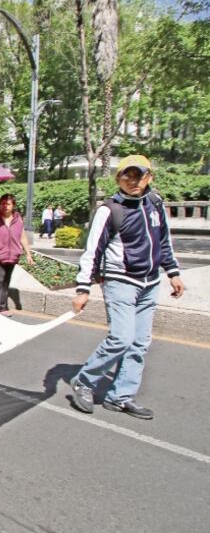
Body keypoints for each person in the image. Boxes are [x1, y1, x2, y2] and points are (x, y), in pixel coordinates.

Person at [68, 155, 184, 420]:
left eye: (139, 175)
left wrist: (173, 273)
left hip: (150, 282)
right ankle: (84, 381)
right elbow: (92, 250)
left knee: (140, 343)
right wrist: (82, 288)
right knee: (121, 338)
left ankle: (120, 396)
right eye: (127, 176)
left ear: (149, 177)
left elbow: (164, 241)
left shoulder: (155, 204)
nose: (134, 181)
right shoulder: (110, 210)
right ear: (118, 178)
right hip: (120, 281)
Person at [0, 193, 34, 316]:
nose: (4, 206)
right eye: (2, 203)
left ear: (13, 205)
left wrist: (28, 254)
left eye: (8, 204)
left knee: (5, 283)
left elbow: (23, 237)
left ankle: (2, 308)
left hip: (11, 257)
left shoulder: (18, 218)